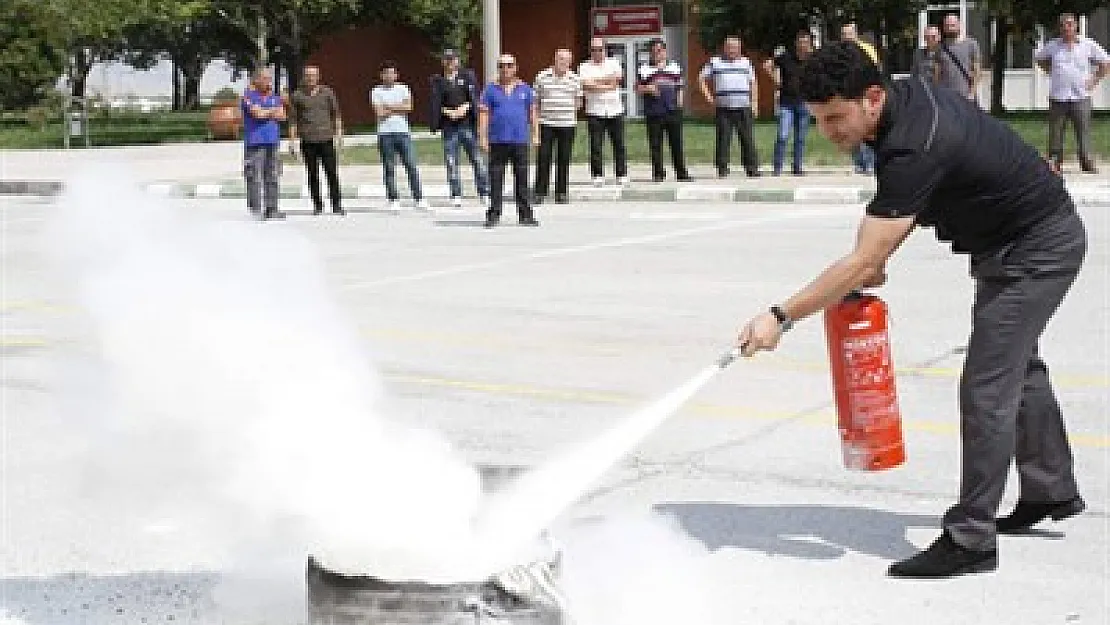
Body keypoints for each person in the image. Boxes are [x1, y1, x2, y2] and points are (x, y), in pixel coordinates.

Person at [737, 42, 1087, 579]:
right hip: (1011, 244)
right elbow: (899, 211)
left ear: (872, 98)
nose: (828, 131)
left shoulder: (914, 142)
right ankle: (1051, 491)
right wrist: (873, 258)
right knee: (1022, 372)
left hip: (1036, 250)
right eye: (818, 119)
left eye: (835, 117)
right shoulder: (905, 102)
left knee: (987, 388)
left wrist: (780, 316)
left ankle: (971, 538)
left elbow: (866, 255)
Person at [1035, 12, 1109, 175]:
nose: (1066, 28)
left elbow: (1105, 62)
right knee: (1056, 131)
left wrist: (1094, 80)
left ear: (1076, 26)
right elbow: (1039, 59)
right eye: (1062, 25)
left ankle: (1087, 161)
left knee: (1083, 130)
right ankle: (1055, 162)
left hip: (1080, 96)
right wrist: (1050, 70)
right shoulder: (1053, 46)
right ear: (1059, 28)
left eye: (1069, 24)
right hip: (1058, 96)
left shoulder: (1088, 44)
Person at [479, 53, 540, 228]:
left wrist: (536, 134)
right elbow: (484, 115)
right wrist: (482, 137)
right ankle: (493, 214)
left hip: (519, 140)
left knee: (522, 179)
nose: (505, 69)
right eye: (502, 65)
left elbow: (533, 113)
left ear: (515, 67)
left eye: (509, 65)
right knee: (496, 179)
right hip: (497, 140)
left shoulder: (525, 89)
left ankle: (525, 214)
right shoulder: (490, 90)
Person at [429, 48, 490, 208]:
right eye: (447, 59)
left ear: (458, 60)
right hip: (449, 127)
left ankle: (484, 192)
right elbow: (435, 103)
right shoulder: (438, 80)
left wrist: (467, 106)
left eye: (453, 59)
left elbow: (475, 97)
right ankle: (456, 194)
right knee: (451, 162)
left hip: (467, 125)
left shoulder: (467, 76)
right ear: (443, 62)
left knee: (477, 160)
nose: (450, 62)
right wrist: (446, 111)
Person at [699, 36, 760, 178]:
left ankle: (752, 168)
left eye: (735, 47)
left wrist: (755, 103)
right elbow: (701, 79)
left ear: (739, 48)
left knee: (747, 138)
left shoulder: (746, 62)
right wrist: (709, 98)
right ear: (724, 48)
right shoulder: (715, 62)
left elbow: (753, 83)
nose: (732, 50)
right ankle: (722, 168)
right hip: (723, 108)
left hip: (743, 106)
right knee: (723, 139)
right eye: (729, 47)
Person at [371, 61, 428, 210]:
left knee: (411, 165)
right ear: (381, 75)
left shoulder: (403, 88)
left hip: (403, 132)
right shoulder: (376, 91)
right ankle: (393, 198)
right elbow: (379, 113)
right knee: (389, 167)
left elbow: (409, 107)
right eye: (386, 73)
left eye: (392, 73)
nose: (390, 76)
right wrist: (398, 107)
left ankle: (419, 198)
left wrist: (389, 107)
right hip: (385, 133)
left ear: (396, 75)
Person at [288, 65, 345, 216]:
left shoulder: (327, 92)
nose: (310, 78)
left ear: (318, 77)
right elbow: (293, 120)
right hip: (308, 141)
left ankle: (337, 204)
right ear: (304, 77)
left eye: (313, 75)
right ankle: (318, 205)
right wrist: (292, 141)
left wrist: (339, 135)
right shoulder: (297, 95)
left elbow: (336, 114)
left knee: (331, 173)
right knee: (312, 174)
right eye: (308, 75)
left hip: (326, 139)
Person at [532, 48, 583, 204]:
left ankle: (561, 192)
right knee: (543, 157)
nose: (563, 63)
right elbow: (535, 101)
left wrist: (567, 110)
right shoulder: (542, 76)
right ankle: (540, 192)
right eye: (560, 59)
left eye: (566, 60)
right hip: (546, 123)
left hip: (567, 124)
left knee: (564, 158)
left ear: (570, 62)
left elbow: (579, 102)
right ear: (554, 59)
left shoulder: (575, 79)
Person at [637, 39, 691, 182]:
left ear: (665, 52)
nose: (657, 54)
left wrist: (680, 102)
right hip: (654, 112)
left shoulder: (674, 67)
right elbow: (637, 88)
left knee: (677, 143)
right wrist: (648, 88)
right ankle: (658, 173)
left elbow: (680, 85)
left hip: (672, 111)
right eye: (654, 51)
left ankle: (681, 173)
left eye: (659, 51)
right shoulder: (644, 69)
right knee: (655, 144)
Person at [578, 37, 629, 187]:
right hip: (595, 110)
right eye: (593, 49)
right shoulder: (584, 66)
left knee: (619, 144)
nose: (597, 52)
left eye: (599, 49)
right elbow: (585, 85)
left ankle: (621, 174)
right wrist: (606, 84)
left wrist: (596, 82)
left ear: (605, 50)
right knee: (596, 145)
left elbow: (617, 79)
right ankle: (597, 175)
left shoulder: (613, 63)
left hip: (615, 109)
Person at [764, 30, 814, 176]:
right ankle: (777, 167)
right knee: (783, 135)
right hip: (786, 103)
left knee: (800, 138)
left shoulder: (812, 59)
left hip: (804, 103)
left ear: (810, 43)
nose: (803, 45)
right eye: (801, 42)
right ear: (796, 43)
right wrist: (776, 80)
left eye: (806, 42)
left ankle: (797, 167)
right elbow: (767, 65)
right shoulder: (786, 57)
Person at [241, 67, 286, 220]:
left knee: (273, 175)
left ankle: (272, 209)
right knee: (254, 176)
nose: (268, 81)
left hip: (272, 142)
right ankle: (255, 210)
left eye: (269, 78)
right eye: (265, 78)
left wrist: (267, 111)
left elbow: (282, 116)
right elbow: (257, 114)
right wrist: (271, 112)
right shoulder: (248, 96)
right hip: (255, 142)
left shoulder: (275, 97)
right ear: (256, 80)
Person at [840, 23, 879, 174]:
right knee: (851, 129)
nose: (846, 37)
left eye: (848, 34)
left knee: (866, 128)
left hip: (864, 93)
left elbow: (875, 69)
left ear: (855, 34)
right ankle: (858, 163)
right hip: (847, 95)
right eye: (843, 34)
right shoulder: (840, 52)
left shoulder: (867, 49)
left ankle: (869, 162)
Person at [936, 14, 982, 102]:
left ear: (959, 25)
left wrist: (972, 93)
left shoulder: (971, 44)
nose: (950, 28)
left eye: (953, 25)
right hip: (946, 96)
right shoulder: (939, 47)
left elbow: (977, 72)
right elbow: (937, 74)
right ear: (944, 28)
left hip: (966, 96)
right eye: (947, 25)